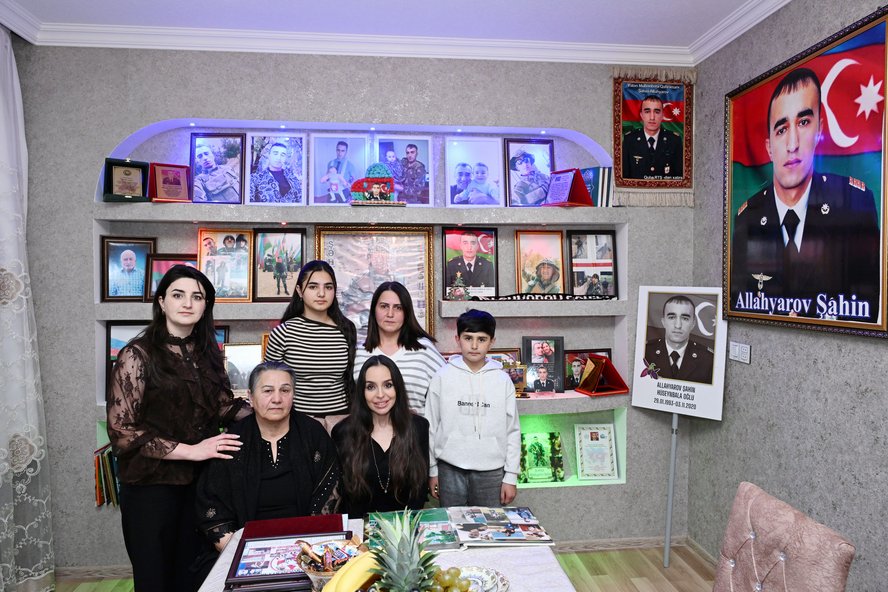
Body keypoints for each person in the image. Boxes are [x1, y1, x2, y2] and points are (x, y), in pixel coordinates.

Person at [106, 264, 251, 592]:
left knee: (196, 577)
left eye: (196, 297)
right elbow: (122, 431)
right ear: (161, 302)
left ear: (205, 306)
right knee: (156, 580)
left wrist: (276, 416)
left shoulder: (207, 352)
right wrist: (192, 451)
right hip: (151, 488)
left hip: (200, 486)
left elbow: (223, 406)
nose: (187, 303)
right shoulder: (136, 354)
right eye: (178, 295)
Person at [730, 67, 881, 322]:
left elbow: (867, 306)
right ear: (769, 147)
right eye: (781, 129)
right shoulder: (748, 217)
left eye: (803, 122)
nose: (792, 145)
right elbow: (740, 304)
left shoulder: (855, 205)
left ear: (819, 130)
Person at [195, 361, 341, 564]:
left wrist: (309, 552)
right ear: (250, 397)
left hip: (307, 546)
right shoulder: (232, 440)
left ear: (293, 395)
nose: (277, 399)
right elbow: (213, 508)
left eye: (285, 390)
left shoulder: (313, 434)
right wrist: (245, 556)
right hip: (245, 549)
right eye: (267, 391)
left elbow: (329, 492)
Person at [424, 309, 520, 507]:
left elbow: (512, 430)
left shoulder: (502, 380)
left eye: (482, 339)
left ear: (492, 342)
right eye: (468, 338)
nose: (474, 346)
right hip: (449, 469)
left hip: (492, 471)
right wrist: (432, 470)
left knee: (490, 524)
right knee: (452, 523)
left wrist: (511, 475)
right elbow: (430, 426)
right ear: (457, 339)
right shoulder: (442, 377)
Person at [264, 260, 357, 433]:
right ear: (300, 291)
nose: (321, 293)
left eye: (328, 287)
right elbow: (269, 382)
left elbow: (350, 379)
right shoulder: (284, 332)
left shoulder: (346, 329)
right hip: (297, 422)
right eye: (313, 287)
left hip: (342, 421)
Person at [333, 356, 430, 517]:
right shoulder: (343, 432)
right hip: (359, 526)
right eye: (371, 387)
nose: (380, 394)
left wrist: (406, 527)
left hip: (405, 525)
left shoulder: (418, 427)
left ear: (397, 388)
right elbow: (346, 495)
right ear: (362, 392)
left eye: (388, 385)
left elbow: (419, 490)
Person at [354, 282, 446, 411]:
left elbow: (449, 391)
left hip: (416, 424)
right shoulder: (359, 353)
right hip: (369, 424)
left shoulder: (424, 349)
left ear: (406, 312)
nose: (390, 314)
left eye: (398, 308)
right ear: (374, 309)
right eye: (384, 306)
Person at [644, 295, 714, 383]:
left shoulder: (708, 360)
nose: (678, 325)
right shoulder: (645, 352)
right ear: (663, 322)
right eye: (671, 317)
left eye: (685, 318)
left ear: (693, 324)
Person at [621, 94, 683, 180]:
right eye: (647, 111)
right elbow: (624, 177)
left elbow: (679, 177)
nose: (652, 117)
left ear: (662, 115)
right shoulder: (630, 140)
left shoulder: (674, 140)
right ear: (641, 115)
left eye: (657, 112)